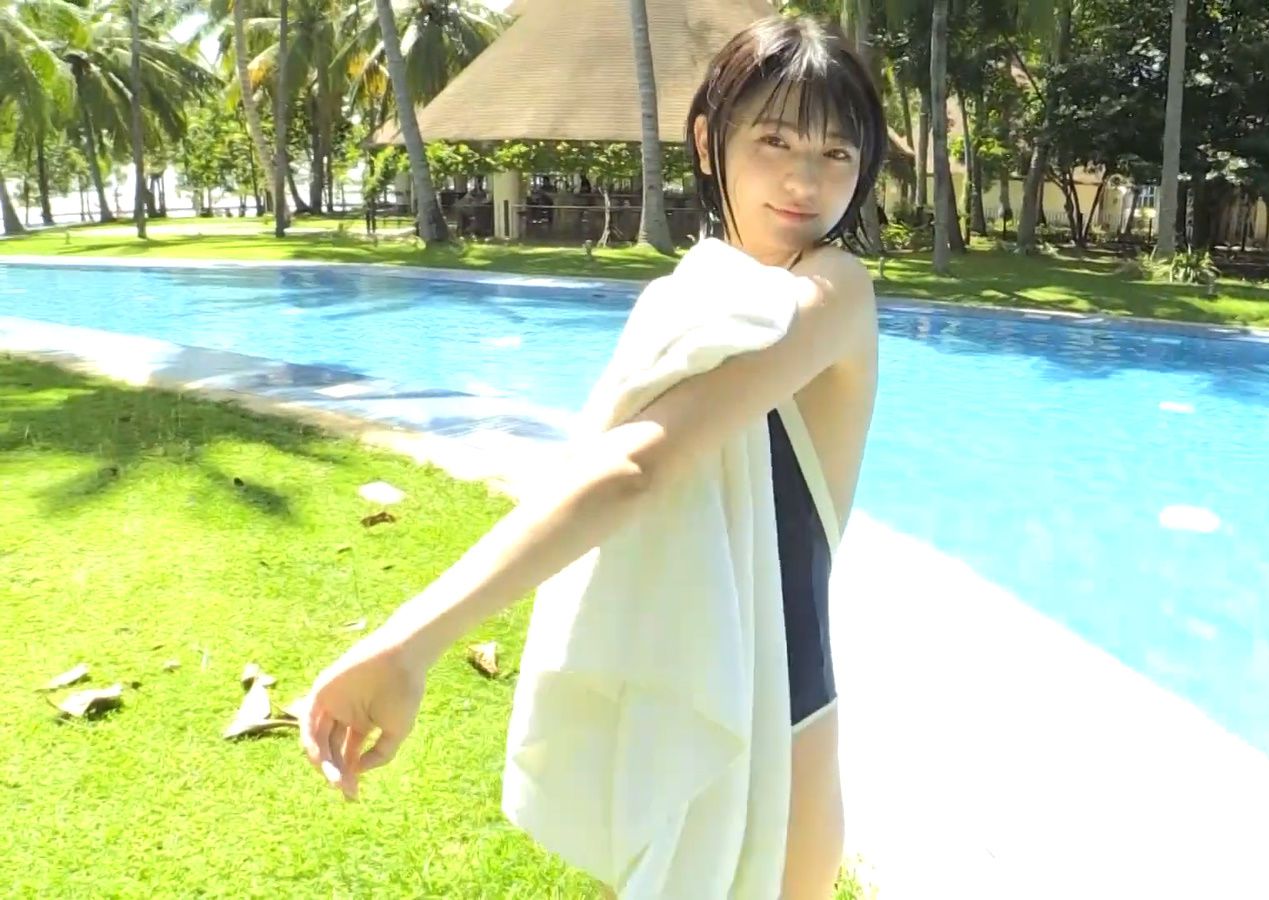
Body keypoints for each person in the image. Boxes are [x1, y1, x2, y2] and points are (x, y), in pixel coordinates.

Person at [296, 14, 885, 898]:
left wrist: (409, 640)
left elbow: (637, 467)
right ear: (708, 140)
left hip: (784, 728)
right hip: (663, 696)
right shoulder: (694, 296)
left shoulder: (835, 290)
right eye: (775, 140)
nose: (806, 179)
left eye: (837, 154)